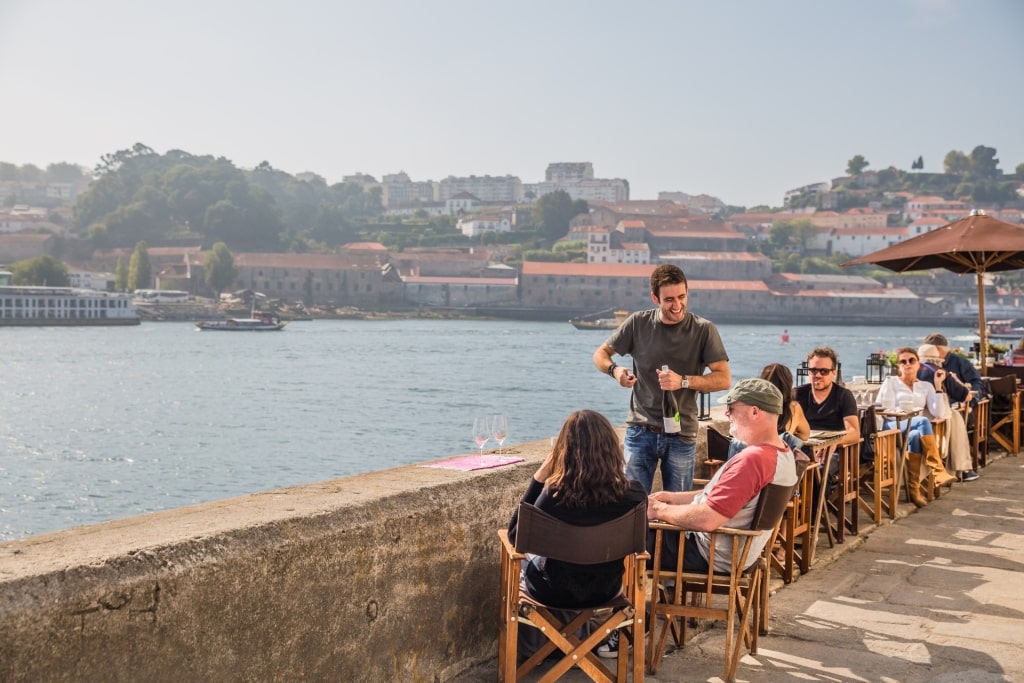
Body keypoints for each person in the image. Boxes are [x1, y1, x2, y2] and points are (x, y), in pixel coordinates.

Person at [506, 409, 646, 659]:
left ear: (564, 451)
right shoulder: (634, 495)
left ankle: (538, 651)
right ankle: (576, 643)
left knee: (527, 562)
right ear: (612, 449)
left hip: (553, 592)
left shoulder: (554, 495)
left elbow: (516, 537)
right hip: (607, 591)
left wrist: (539, 476)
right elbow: (641, 545)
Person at [593, 264, 731, 494]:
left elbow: (724, 379)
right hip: (640, 431)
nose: (677, 305)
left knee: (676, 513)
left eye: (682, 297)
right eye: (669, 300)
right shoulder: (638, 323)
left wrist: (683, 381)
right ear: (655, 298)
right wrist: (616, 371)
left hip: (681, 433)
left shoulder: (704, 330)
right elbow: (600, 354)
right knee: (632, 505)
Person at [646, 378, 798, 574]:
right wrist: (674, 498)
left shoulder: (754, 460)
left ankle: (619, 601)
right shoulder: (783, 453)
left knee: (625, 536)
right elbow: (729, 500)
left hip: (706, 552)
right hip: (734, 554)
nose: (727, 413)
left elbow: (708, 519)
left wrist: (659, 510)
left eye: (732, 408)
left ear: (754, 411)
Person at [876, 347, 958, 506]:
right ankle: (938, 469)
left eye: (911, 360)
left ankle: (913, 489)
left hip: (911, 431)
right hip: (892, 427)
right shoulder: (891, 382)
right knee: (922, 421)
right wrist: (904, 413)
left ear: (918, 364)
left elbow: (938, 412)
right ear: (898, 366)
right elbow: (886, 412)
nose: (907, 364)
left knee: (914, 436)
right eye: (903, 361)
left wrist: (938, 385)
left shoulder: (926, 386)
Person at [918, 343, 978, 482]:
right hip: (936, 423)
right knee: (956, 417)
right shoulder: (940, 373)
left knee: (954, 416)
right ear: (938, 358)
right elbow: (966, 396)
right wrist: (955, 379)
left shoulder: (910, 372)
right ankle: (962, 468)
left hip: (914, 419)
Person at [727, 362, 810, 459]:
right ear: (788, 384)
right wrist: (791, 434)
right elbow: (805, 434)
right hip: (778, 462)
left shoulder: (754, 406)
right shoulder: (793, 408)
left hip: (747, 459)